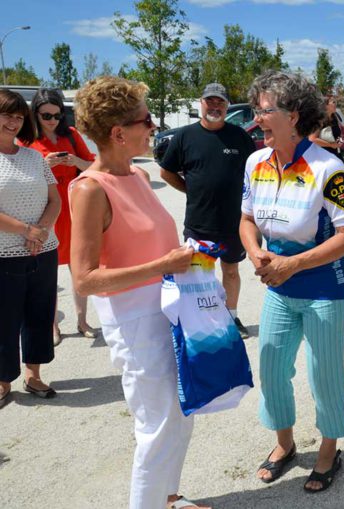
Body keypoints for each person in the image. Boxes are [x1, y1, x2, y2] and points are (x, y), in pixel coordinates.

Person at [69, 76, 209, 509]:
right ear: (118, 132)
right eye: (146, 120)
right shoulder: (91, 188)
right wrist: (163, 264)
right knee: (157, 424)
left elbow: (151, 243)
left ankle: (166, 498)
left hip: (167, 310)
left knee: (181, 414)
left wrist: (184, 256)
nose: (153, 127)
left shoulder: (139, 175)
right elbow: (85, 279)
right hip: (133, 321)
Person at [240, 70, 344, 493]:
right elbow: (247, 220)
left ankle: (329, 451)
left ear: (293, 115)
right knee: (272, 369)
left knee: (323, 374)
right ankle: (285, 446)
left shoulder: (328, 168)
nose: (257, 118)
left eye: (265, 109)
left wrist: (294, 264)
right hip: (279, 289)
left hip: (325, 290)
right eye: (256, 109)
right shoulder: (255, 162)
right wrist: (256, 252)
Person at [160, 82, 255, 339]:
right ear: (201, 103)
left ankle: (231, 317)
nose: (215, 106)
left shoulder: (240, 136)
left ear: (226, 106)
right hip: (199, 221)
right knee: (199, 275)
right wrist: (190, 190)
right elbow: (165, 171)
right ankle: (202, 319)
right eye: (210, 101)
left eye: (220, 102)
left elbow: (255, 172)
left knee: (231, 271)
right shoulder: (184, 136)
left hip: (234, 222)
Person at [0, 89, 61, 409]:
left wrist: (41, 232)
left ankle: (33, 373)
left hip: (43, 250)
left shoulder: (34, 157)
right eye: (7, 114)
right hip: (4, 253)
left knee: (39, 314)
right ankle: (2, 379)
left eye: (19, 116)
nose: (14, 121)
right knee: (4, 319)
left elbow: (55, 199)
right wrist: (26, 230)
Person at [25, 88, 96, 345]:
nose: (53, 120)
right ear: (35, 114)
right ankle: (53, 325)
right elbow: (17, 176)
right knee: (48, 274)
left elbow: (92, 167)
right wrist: (46, 165)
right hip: (45, 211)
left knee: (80, 267)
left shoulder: (72, 135)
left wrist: (74, 160)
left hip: (75, 209)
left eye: (57, 115)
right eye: (46, 115)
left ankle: (82, 320)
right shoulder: (26, 139)